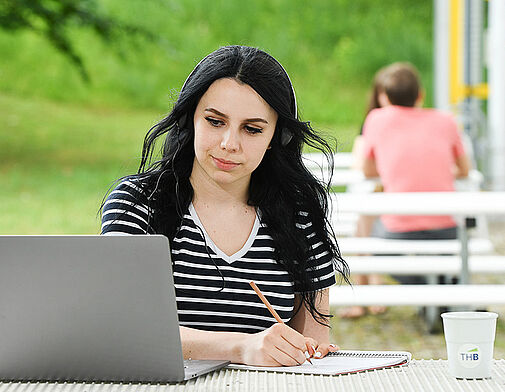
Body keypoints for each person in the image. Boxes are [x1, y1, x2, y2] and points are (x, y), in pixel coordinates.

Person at [101, 45, 349, 367]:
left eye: (252, 129)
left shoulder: (299, 213)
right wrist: (241, 347)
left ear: (277, 137)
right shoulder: (137, 203)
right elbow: (123, 328)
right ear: (191, 118)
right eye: (215, 122)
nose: (229, 144)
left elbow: (315, 339)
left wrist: (312, 351)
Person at [361, 62, 470, 284]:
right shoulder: (446, 120)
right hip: (446, 228)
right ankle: (440, 290)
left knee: (371, 238)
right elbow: (465, 170)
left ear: (386, 98)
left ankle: (428, 289)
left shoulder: (377, 119)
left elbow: (367, 169)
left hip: (398, 229)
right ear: (421, 95)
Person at [339, 67, 390, 319]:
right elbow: (361, 163)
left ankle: (368, 290)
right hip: (372, 191)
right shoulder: (372, 123)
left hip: (388, 194)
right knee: (363, 220)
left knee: (364, 220)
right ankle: (366, 290)